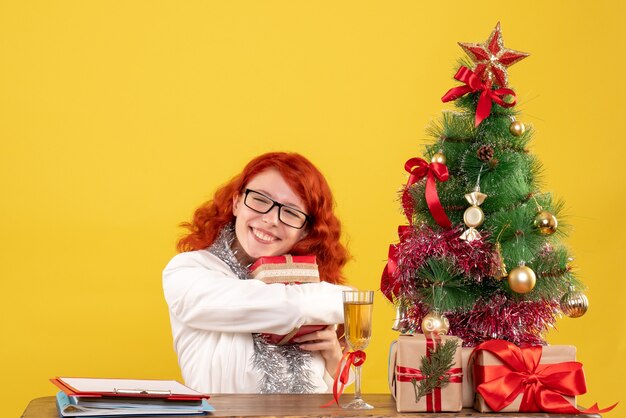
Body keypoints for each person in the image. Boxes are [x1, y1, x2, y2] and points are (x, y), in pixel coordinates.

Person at [163, 152, 351, 394]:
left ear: (305, 231)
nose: (272, 219)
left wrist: (334, 358)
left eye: (292, 212)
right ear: (236, 202)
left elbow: (337, 392)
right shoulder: (188, 270)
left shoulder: (311, 286)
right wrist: (347, 299)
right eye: (261, 200)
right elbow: (286, 307)